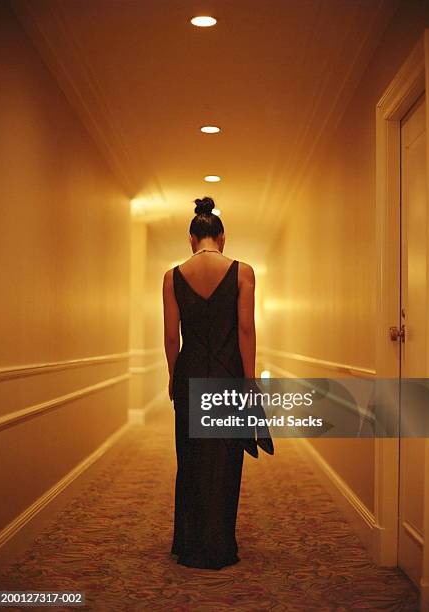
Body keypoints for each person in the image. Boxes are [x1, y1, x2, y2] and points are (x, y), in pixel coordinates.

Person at [162, 196, 273, 570]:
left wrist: (172, 376)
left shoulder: (172, 276)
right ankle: (220, 544)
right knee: (226, 461)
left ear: (191, 238)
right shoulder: (243, 272)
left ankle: (189, 543)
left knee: (190, 459)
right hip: (227, 376)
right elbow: (245, 329)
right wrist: (251, 380)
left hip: (190, 374)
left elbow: (170, 336)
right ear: (221, 237)